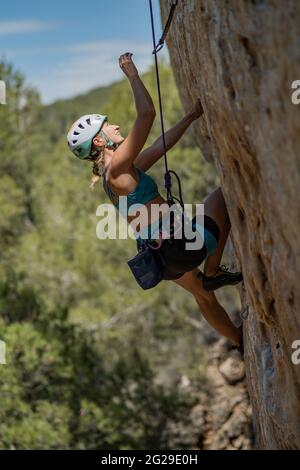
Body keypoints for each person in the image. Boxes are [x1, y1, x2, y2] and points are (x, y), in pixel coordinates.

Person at [67, 52, 243, 349]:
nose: (117, 127)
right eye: (109, 127)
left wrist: (190, 116)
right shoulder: (119, 169)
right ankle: (213, 269)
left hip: (161, 256)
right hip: (182, 245)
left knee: (204, 296)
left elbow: (160, 144)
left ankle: (239, 342)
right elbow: (146, 114)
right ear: (100, 141)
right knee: (224, 195)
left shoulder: (116, 175)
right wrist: (132, 74)